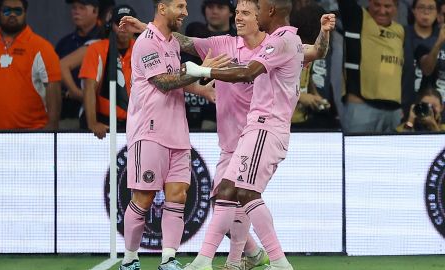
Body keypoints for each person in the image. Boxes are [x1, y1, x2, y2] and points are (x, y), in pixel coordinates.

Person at [120, 2, 333, 267]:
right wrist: (147, 28)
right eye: (239, 13)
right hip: (232, 138)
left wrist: (324, 34)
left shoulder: (277, 43)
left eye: (246, 12)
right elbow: (185, 42)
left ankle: (231, 261)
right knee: (229, 197)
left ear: (261, 16)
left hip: (259, 132)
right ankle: (251, 255)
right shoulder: (224, 44)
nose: (239, 18)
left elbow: (316, 52)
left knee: (236, 195)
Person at [182, 0, 334, 269]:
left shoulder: (280, 41)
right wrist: (324, 33)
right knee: (227, 192)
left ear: (269, 12)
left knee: (247, 193)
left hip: (266, 125)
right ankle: (207, 260)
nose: (240, 17)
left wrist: (202, 71)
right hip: (256, 128)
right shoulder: (286, 40)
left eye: (252, 11)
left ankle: (276, 261)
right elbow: (319, 51)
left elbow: (247, 72)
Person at [117, 1, 229, 270]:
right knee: (143, 198)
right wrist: (201, 71)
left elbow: (176, 76)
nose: (186, 12)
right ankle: (130, 259)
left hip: (178, 132)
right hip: (149, 131)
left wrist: (202, 90)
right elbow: (163, 82)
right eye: (180, 6)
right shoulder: (145, 42)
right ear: (163, 7)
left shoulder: (171, 42)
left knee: (178, 195)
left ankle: (168, 259)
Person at [0, 0, 61, 130]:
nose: (12, 14)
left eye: (17, 10)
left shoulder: (42, 47)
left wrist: (52, 127)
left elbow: (53, 86)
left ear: (25, 13)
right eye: (6, 10)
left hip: (30, 136)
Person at [338, 0, 404, 133]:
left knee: (392, 154)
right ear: (369, 3)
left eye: (387, 6)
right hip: (361, 106)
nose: (382, 10)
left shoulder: (400, 30)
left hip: (394, 110)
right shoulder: (357, 18)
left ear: (396, 8)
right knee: (356, 153)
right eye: (377, 4)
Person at [79, 4, 136, 139]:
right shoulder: (96, 48)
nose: (123, 28)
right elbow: (89, 87)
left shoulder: (142, 48)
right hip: (103, 122)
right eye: (119, 23)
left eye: (128, 24)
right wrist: (93, 123)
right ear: (111, 26)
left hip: (134, 123)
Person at [183, 0, 237, 131]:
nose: (214, 11)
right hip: (189, 103)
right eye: (210, 7)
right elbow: (183, 67)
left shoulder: (239, 39)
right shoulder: (193, 34)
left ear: (231, 13)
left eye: (220, 7)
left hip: (228, 108)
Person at [56, 0, 102, 129]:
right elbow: (54, 73)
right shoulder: (64, 43)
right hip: (68, 113)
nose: (76, 11)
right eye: (74, 7)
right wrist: (74, 92)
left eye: (82, 7)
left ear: (95, 11)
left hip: (99, 113)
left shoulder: (105, 38)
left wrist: (78, 93)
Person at [402, 0, 439, 121]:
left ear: (437, 13)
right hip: (403, 104)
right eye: (421, 7)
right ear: (413, 11)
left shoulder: (442, 36)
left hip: (438, 106)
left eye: (430, 8)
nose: (426, 12)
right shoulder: (400, 33)